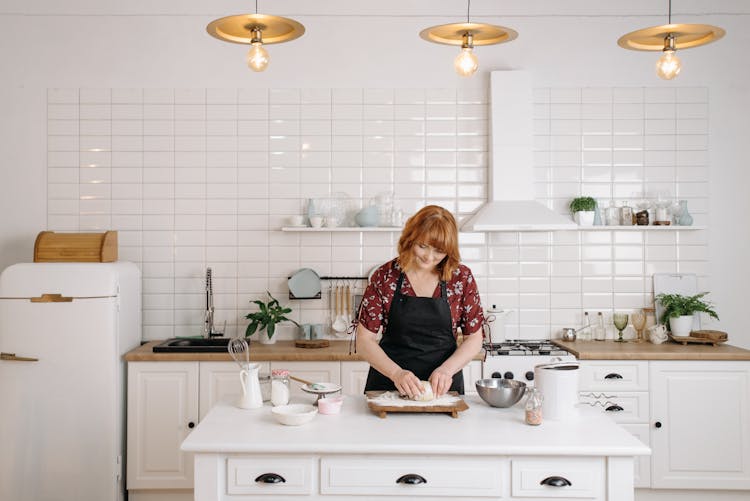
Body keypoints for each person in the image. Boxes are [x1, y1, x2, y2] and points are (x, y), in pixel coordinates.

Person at [356, 205, 485, 399]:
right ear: (410, 238)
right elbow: (364, 340)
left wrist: (447, 370)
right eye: (422, 246)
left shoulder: (461, 278)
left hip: (444, 389)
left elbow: (474, 338)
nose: (428, 257)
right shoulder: (386, 276)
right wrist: (396, 373)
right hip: (388, 386)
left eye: (439, 251)